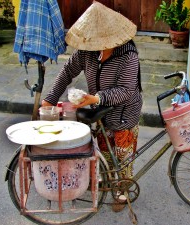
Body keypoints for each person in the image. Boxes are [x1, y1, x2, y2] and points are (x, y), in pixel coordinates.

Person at [41, 1, 143, 212]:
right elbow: (67, 72)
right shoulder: (87, 52)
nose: (96, 44)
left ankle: (123, 191)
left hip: (125, 113)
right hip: (101, 112)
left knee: (123, 157)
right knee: (104, 151)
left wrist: (95, 98)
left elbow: (126, 90)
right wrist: (49, 99)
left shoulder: (128, 55)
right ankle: (106, 182)